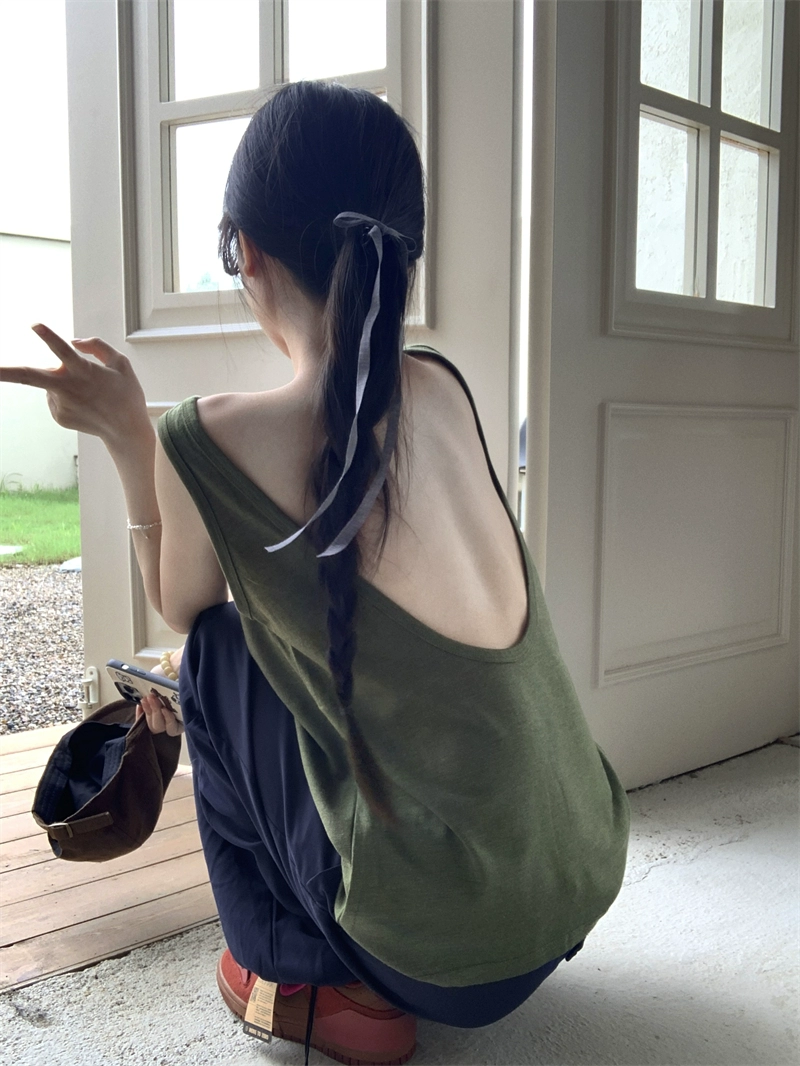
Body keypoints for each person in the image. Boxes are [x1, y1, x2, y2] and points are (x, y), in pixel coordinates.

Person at [1, 81, 630, 1066]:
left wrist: (128, 433)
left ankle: (302, 981)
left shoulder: (209, 437)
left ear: (244, 253)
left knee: (212, 648)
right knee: (268, 639)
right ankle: (375, 947)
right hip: (573, 886)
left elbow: (179, 603)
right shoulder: (444, 386)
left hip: (446, 959)